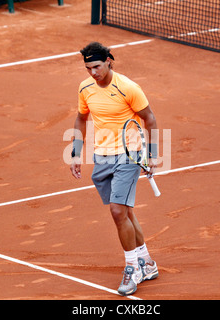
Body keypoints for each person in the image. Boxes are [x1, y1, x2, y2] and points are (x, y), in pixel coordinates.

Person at [69, 42, 159, 296]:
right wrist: (76, 153)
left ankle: (133, 269)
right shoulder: (85, 88)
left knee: (118, 211)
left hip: (129, 155)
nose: (93, 73)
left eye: (96, 66)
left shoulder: (128, 87)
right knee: (126, 213)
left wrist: (151, 155)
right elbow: (80, 117)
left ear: (109, 61)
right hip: (102, 157)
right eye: (88, 68)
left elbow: (149, 118)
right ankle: (147, 263)